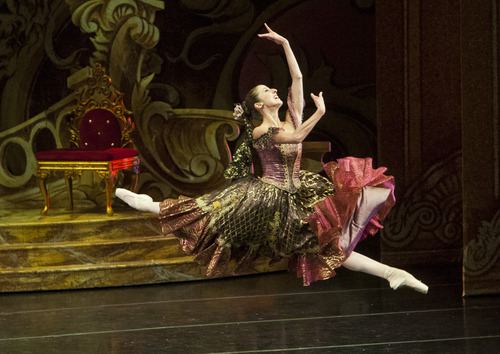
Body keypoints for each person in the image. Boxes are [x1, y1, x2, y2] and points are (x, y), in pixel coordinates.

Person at [116, 24, 428, 294]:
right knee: (205, 213)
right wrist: (320, 113)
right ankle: (148, 204)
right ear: (258, 105)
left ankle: (393, 274)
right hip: (269, 199)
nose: (274, 90)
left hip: (299, 192)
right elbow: (296, 138)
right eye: (267, 90)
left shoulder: (291, 115)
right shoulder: (261, 130)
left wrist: (287, 45)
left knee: (366, 200)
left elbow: (298, 77)